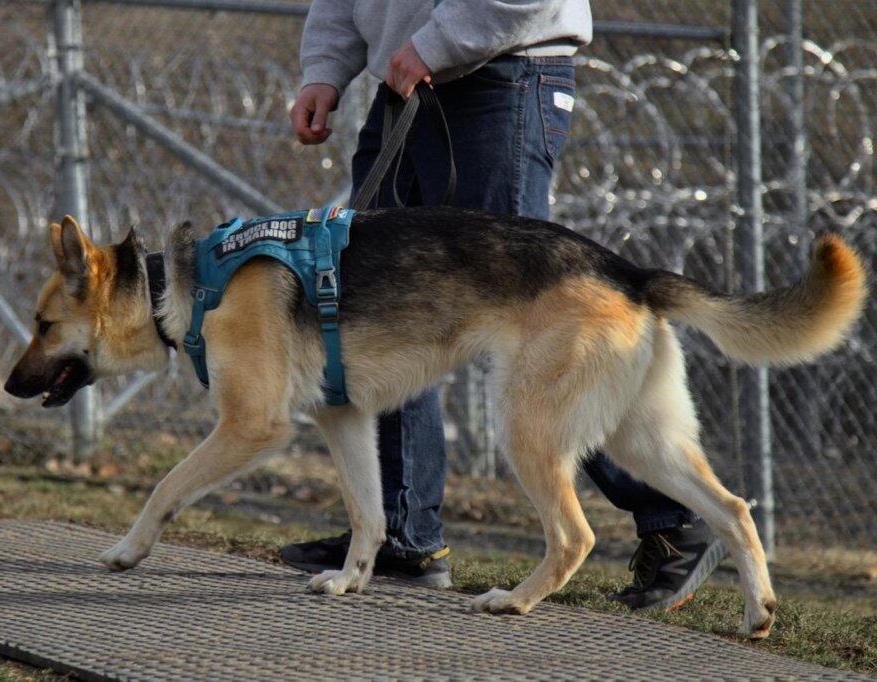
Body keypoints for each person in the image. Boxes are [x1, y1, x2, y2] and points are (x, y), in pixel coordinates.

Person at [281, 0, 727, 611]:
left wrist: (434, 43)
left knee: (556, 340)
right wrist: (323, 71)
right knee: (377, 311)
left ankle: (675, 517)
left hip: (500, 73)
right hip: (406, 83)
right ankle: (406, 533)